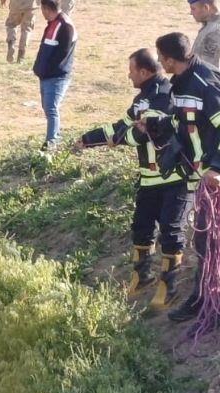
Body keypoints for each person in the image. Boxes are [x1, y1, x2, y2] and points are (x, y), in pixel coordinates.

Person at [74, 49, 188, 305]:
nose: (128, 75)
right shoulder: (142, 99)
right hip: (148, 178)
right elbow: (121, 127)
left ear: (144, 72)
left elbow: (144, 133)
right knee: (141, 229)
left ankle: (168, 287)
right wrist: (87, 139)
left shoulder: (165, 94)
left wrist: (123, 137)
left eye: (132, 70)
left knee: (171, 231)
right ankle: (142, 278)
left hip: (173, 178)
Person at [154, 33, 220, 323]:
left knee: (211, 243)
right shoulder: (179, 84)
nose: (159, 62)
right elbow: (186, 122)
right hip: (199, 177)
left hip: (214, 179)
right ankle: (203, 299)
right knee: (205, 243)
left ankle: (208, 302)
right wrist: (157, 125)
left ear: (170, 59)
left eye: (160, 57)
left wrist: (216, 167)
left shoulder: (205, 83)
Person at [33, 0, 75, 152]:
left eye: (42, 9)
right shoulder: (53, 23)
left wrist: (47, 70)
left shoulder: (65, 26)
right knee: (48, 108)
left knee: (51, 109)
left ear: (46, 8)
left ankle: (51, 144)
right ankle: (54, 137)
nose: (41, 12)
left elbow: (62, 54)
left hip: (57, 76)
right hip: (46, 76)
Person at [192, 0, 220, 68]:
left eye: (193, 9)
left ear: (206, 7)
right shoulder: (209, 25)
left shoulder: (215, 32)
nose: (191, 12)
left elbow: (207, 67)